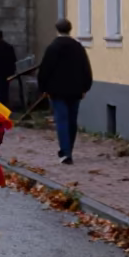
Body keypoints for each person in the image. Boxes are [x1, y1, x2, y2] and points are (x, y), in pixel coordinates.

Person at [37, 18, 93, 164]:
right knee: (72, 121)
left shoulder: (53, 48)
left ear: (57, 30)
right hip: (75, 90)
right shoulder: (78, 47)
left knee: (62, 120)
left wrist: (43, 88)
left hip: (57, 91)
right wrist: (86, 86)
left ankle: (65, 152)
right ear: (70, 29)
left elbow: (45, 70)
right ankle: (69, 149)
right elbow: (85, 68)